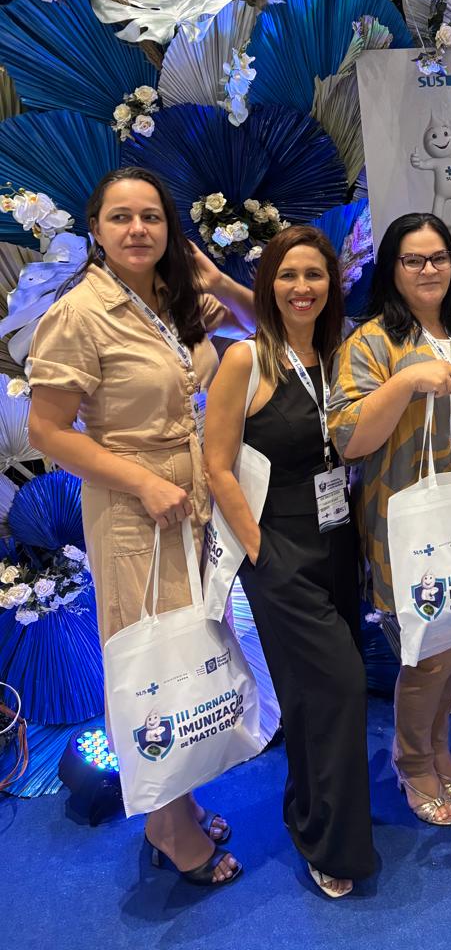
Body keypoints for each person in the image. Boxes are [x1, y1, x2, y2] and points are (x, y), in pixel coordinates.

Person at [26, 167, 254, 886]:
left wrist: (217, 284)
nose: (137, 229)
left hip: (189, 501)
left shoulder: (170, 299)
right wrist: (144, 483)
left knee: (185, 654)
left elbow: (265, 332)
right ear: (95, 228)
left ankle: (179, 803)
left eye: (151, 217)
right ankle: (166, 825)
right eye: (121, 217)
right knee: (149, 666)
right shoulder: (80, 313)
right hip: (133, 508)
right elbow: (47, 431)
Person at [203, 226, 376, 898]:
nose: (302, 288)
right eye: (288, 275)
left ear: (333, 283)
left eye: (315, 275)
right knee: (341, 686)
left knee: (311, 698)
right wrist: (259, 549)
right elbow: (218, 467)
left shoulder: (341, 353)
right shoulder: (245, 360)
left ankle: (312, 814)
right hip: (278, 547)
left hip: (338, 540)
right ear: (268, 284)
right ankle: (332, 844)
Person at [326, 213, 451, 827]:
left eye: (439, 258)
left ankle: (439, 747)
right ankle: (413, 761)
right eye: (413, 260)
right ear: (391, 270)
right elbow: (349, 439)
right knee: (426, 652)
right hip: (406, 521)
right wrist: (405, 382)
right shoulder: (371, 341)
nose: (429, 269)